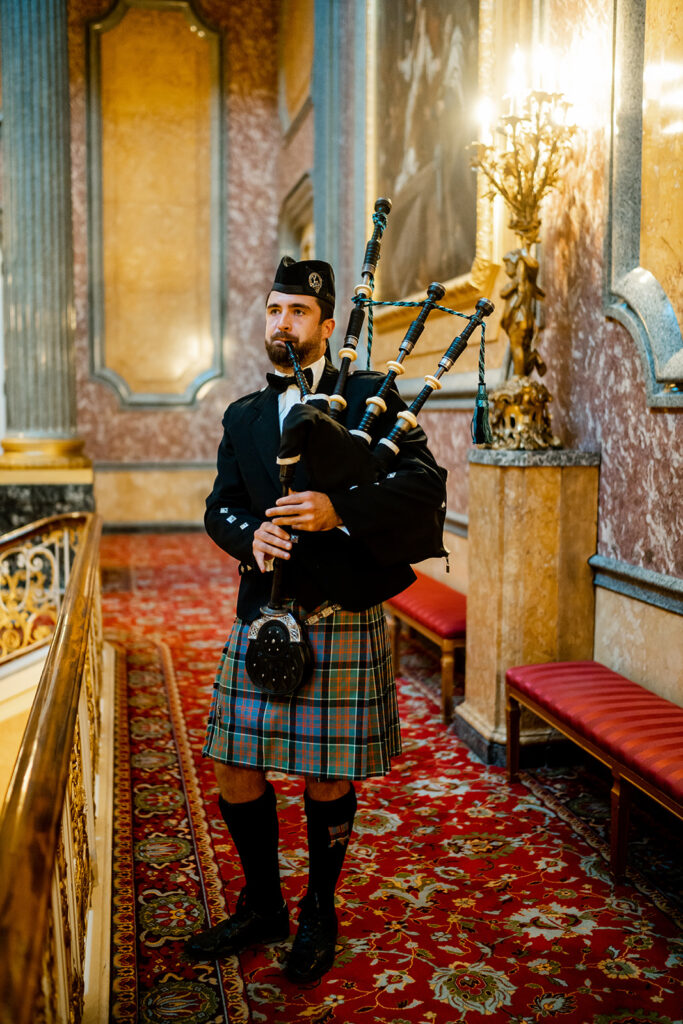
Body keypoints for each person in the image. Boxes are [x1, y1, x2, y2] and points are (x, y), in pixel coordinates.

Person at [185, 257, 447, 983]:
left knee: (327, 776)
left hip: (339, 612)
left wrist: (341, 510)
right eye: (273, 310)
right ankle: (263, 903)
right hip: (263, 613)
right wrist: (247, 537)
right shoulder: (241, 415)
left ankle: (319, 909)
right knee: (234, 764)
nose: (281, 323)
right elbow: (219, 503)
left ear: (327, 326)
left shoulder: (372, 398)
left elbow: (425, 485)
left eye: (296, 312)